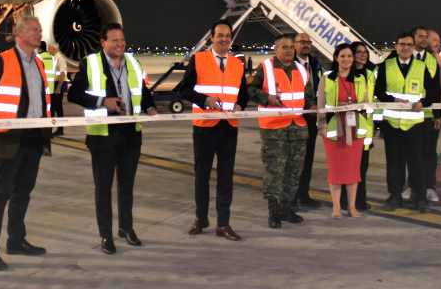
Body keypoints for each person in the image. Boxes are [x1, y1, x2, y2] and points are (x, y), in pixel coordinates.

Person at [67, 23, 158, 254]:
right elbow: (74, 94)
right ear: (103, 42)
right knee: (103, 188)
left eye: (122, 40)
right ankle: (106, 235)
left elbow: (142, 92)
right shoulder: (91, 63)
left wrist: (150, 108)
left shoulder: (133, 63)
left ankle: (126, 228)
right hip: (103, 136)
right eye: (115, 40)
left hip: (130, 133)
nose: (120, 44)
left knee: (127, 186)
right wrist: (101, 102)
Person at [0, 16, 52, 271]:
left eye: (40, 30)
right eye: (34, 30)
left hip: (33, 138)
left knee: (23, 192)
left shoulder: (40, 63)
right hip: (9, 138)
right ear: (20, 33)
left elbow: (42, 99)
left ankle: (16, 240)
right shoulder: (2, 61)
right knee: (0, 195)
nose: (39, 33)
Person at [175, 19, 249, 241]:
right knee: (202, 176)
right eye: (220, 35)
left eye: (228, 35)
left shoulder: (238, 64)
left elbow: (243, 94)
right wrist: (204, 99)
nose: (224, 39)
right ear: (212, 38)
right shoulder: (199, 60)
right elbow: (183, 90)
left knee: (226, 177)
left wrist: (240, 105)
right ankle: (201, 219)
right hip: (205, 127)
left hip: (229, 128)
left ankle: (223, 224)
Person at [248, 33, 314, 228]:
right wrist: (266, 98)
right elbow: (251, 90)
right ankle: (274, 212)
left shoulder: (301, 71)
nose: (288, 50)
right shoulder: (266, 68)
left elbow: (307, 96)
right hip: (274, 129)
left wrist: (312, 106)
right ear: (276, 49)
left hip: (298, 128)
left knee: (294, 172)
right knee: (275, 172)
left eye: (291, 47)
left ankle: (287, 209)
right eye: (284, 47)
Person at [375, 30, 441, 212]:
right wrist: (392, 101)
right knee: (394, 163)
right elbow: (379, 91)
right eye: (402, 44)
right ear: (396, 46)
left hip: (415, 124)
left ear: (413, 48)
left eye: (408, 45)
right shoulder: (385, 66)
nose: (405, 48)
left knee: (416, 163)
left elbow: (434, 92)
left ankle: (419, 197)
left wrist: (423, 103)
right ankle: (394, 196)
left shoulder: (422, 67)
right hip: (393, 123)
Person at [320, 44, 369, 219]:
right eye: (342, 56)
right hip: (334, 129)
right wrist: (322, 126)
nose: (346, 59)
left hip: (355, 129)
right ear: (336, 58)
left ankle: (352, 207)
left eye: (349, 56)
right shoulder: (327, 78)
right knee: (335, 170)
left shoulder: (360, 79)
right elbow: (320, 105)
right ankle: (336, 207)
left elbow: (365, 103)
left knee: (352, 171)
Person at [401, 26, 441, 204]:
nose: (424, 39)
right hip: (410, 114)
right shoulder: (403, 58)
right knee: (412, 152)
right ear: (413, 38)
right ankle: (412, 185)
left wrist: (437, 115)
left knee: (429, 153)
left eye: (426, 36)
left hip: (427, 114)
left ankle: (429, 187)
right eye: (421, 36)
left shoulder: (432, 60)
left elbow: (436, 90)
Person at [340, 41, 376, 211]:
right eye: (359, 52)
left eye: (365, 52)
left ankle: (359, 200)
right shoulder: (345, 74)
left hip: (365, 128)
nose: (363, 55)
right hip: (348, 126)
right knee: (347, 166)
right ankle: (345, 201)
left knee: (362, 168)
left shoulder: (370, 74)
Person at [294, 32, 325, 210]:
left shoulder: (315, 63)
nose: (305, 44)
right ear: (295, 44)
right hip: (297, 116)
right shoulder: (290, 64)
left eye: (307, 42)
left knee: (308, 159)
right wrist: (309, 104)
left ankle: (303, 194)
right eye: (301, 42)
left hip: (312, 117)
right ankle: (292, 198)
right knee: (295, 160)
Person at [39, 43, 67, 135]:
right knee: (55, 108)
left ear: (55, 49)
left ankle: (59, 129)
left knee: (56, 108)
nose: (48, 51)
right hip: (54, 84)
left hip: (59, 84)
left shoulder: (59, 58)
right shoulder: (52, 58)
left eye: (50, 49)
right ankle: (55, 129)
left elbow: (63, 74)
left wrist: (58, 88)